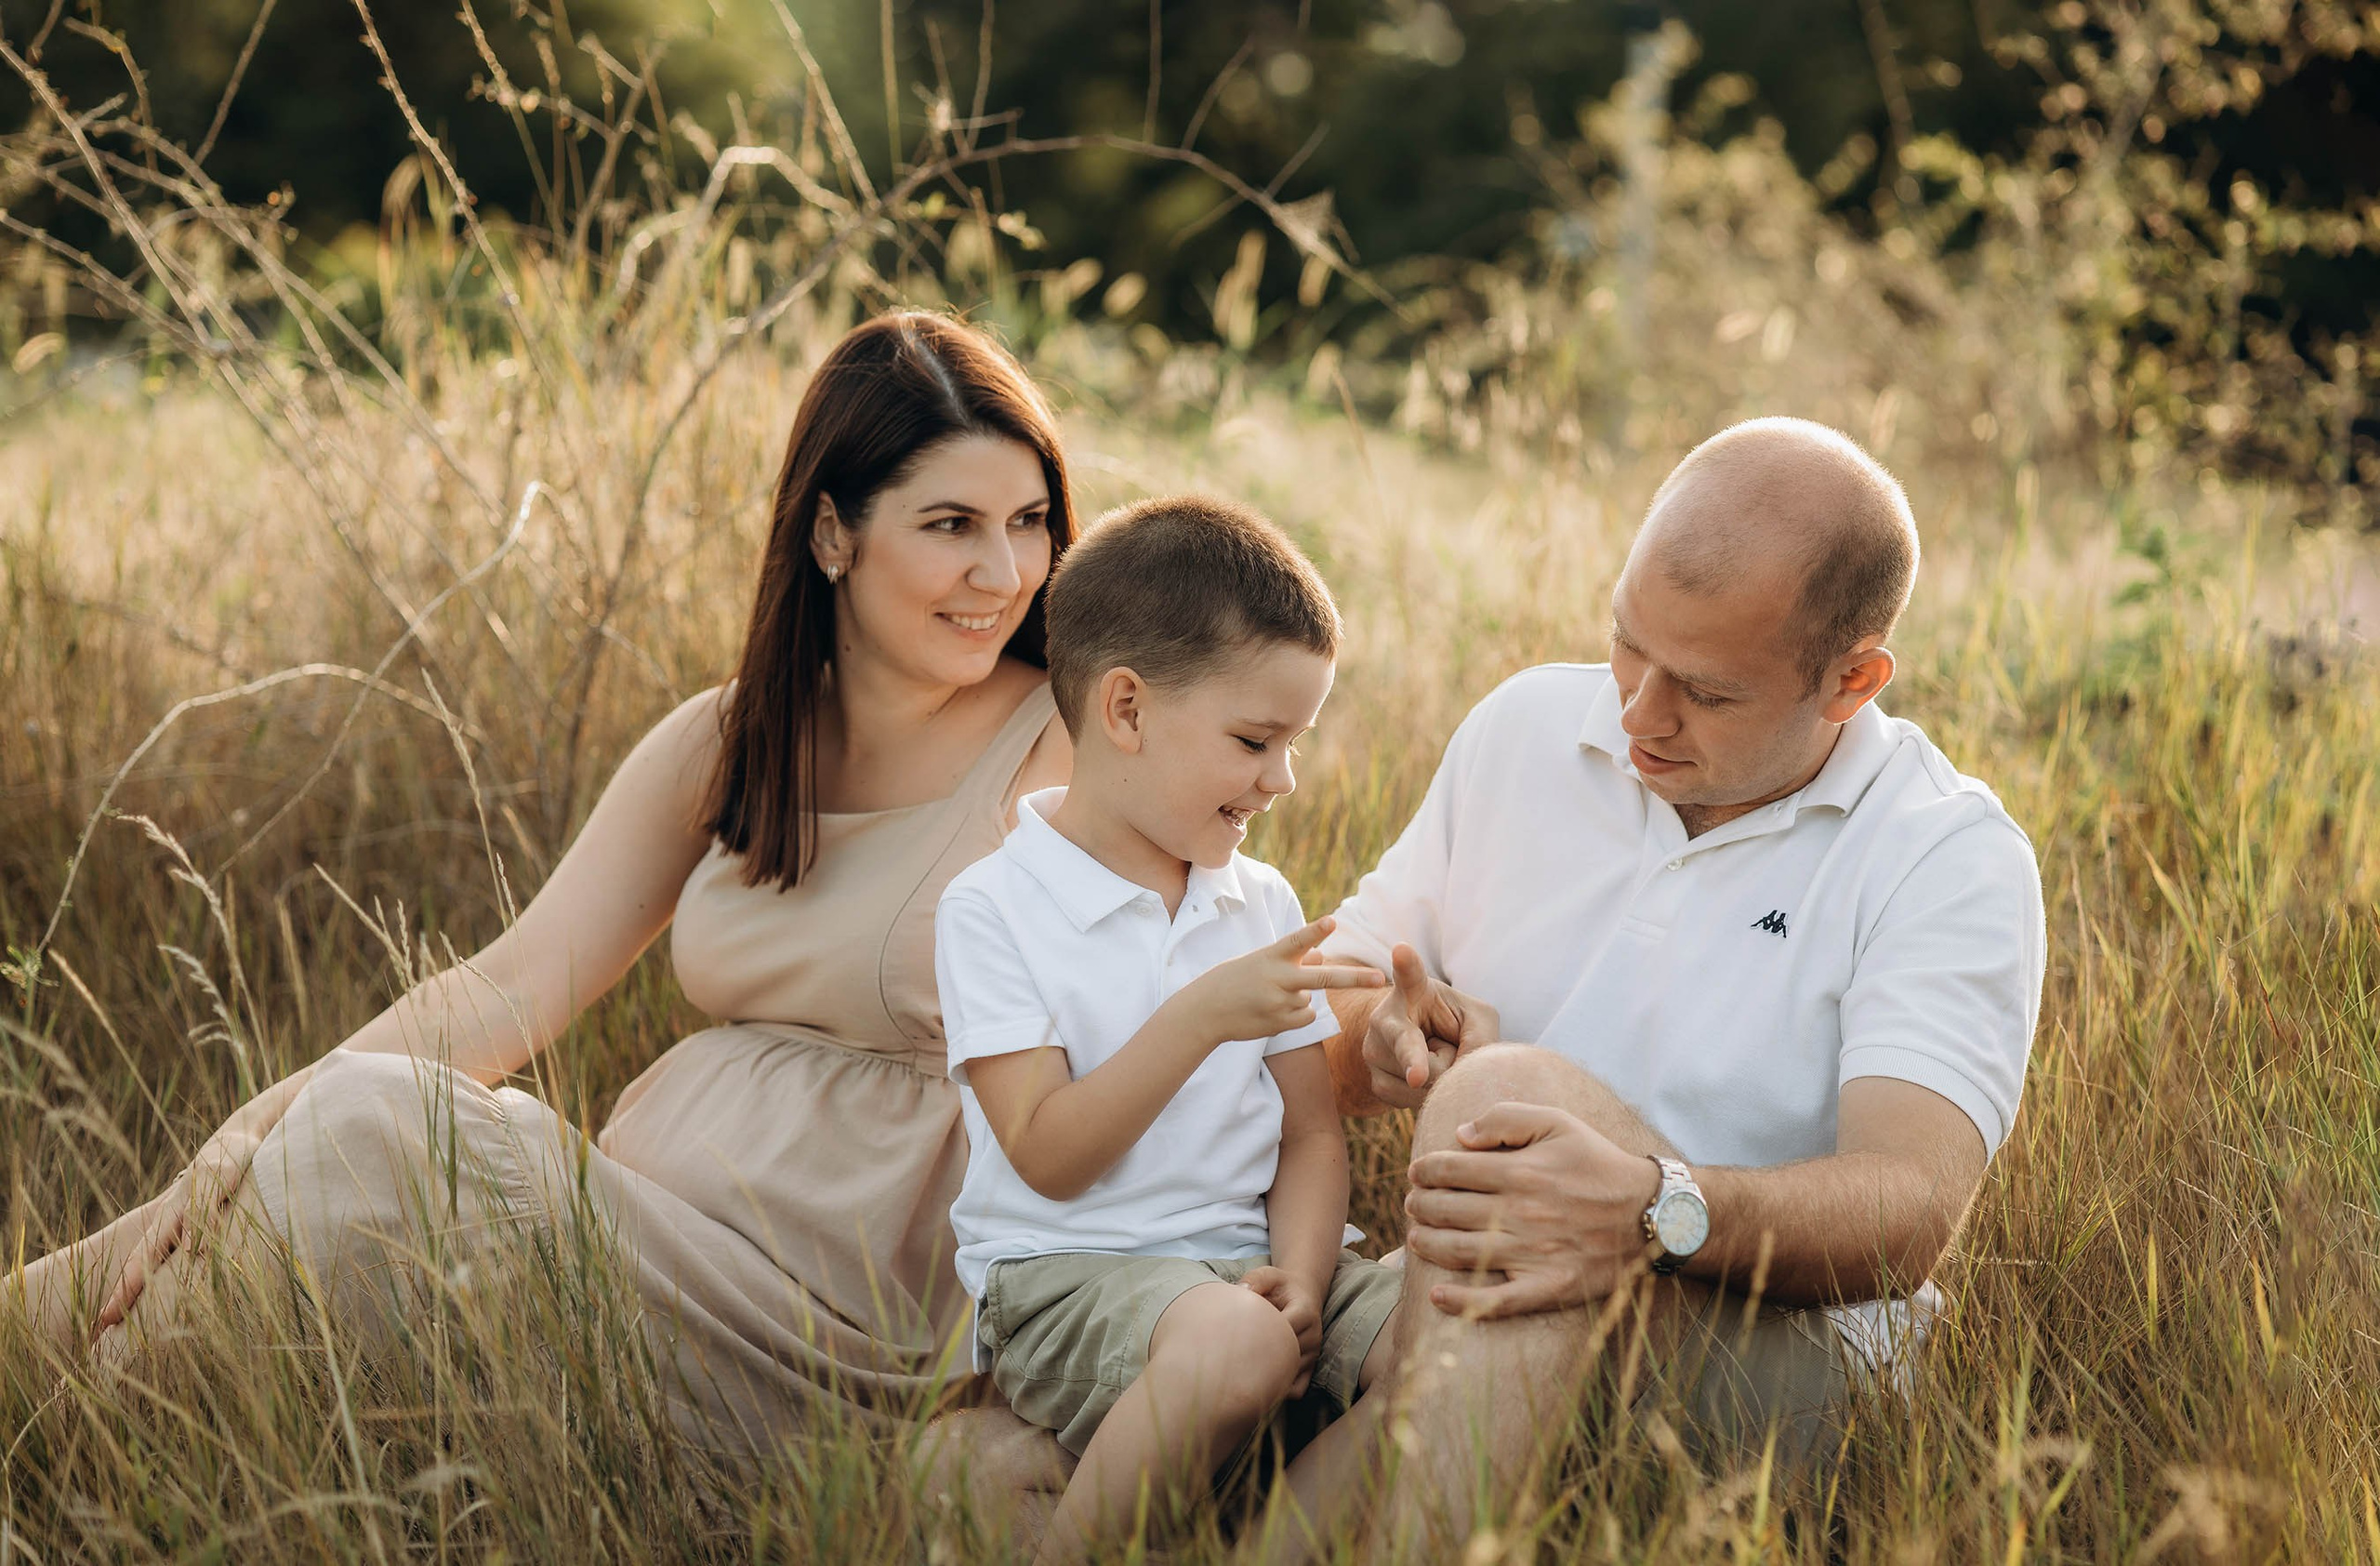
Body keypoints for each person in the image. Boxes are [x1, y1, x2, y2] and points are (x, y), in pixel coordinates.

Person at [8, 312, 1088, 1474]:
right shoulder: (728, 742)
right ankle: (48, 1383)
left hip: (857, 1319)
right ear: (832, 530)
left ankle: (59, 1421)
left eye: (1028, 523)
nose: (1006, 572)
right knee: (336, 1137)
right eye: (952, 525)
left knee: (369, 1129)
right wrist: (235, 1139)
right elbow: (505, 988)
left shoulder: (1068, 745)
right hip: (643, 1249)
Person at [1299, 416, 2048, 1549]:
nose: (1639, 713)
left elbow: (1909, 1211)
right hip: (1461, 1297)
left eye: (1705, 690)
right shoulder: (1522, 730)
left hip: (1774, 1363)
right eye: (1625, 646)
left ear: (1851, 679)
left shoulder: (1945, 854)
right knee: (996, 1453)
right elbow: (1322, 1028)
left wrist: (1654, 1209)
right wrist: (1383, 1040)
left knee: (1516, 1123)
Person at [935, 497, 1400, 1564]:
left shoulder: (1259, 899)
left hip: (1243, 1264)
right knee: (1231, 1338)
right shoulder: (993, 908)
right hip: (1070, 1273)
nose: (1281, 779)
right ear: (1128, 711)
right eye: (1254, 740)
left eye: (1294, 744)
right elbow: (1048, 1155)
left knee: (1457, 1322)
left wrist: (1301, 1271)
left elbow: (1310, 1136)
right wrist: (1197, 1018)